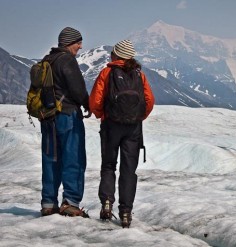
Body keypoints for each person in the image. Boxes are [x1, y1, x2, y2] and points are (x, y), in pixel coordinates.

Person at [89, 40, 155, 227]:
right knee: (128, 170)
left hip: (111, 125)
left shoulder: (107, 72)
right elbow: (149, 100)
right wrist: (139, 116)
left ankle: (107, 203)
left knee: (109, 165)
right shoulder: (138, 74)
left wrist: (103, 115)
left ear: (116, 55)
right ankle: (126, 212)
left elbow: (95, 100)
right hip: (133, 128)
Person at [40, 27, 91, 218]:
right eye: (78, 42)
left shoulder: (48, 60)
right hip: (67, 115)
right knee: (74, 158)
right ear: (69, 43)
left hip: (48, 117)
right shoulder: (67, 60)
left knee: (51, 159)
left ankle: (48, 203)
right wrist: (87, 104)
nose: (80, 46)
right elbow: (77, 89)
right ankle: (70, 203)